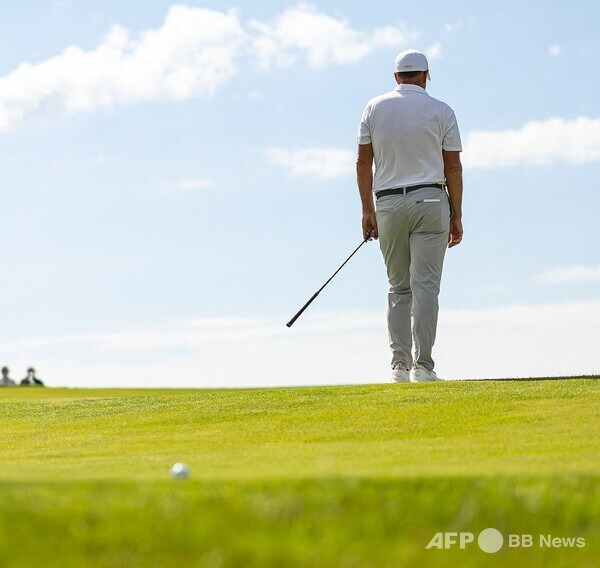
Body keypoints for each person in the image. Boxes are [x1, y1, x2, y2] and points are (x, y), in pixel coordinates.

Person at [356, 49, 463, 383]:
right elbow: (453, 167)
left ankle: (399, 366)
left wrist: (367, 210)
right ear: (426, 75)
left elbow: (363, 163)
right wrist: (456, 215)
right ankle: (424, 367)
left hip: (388, 204)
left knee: (399, 288)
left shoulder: (374, 107)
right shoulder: (441, 110)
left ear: (395, 77)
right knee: (426, 287)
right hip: (431, 201)